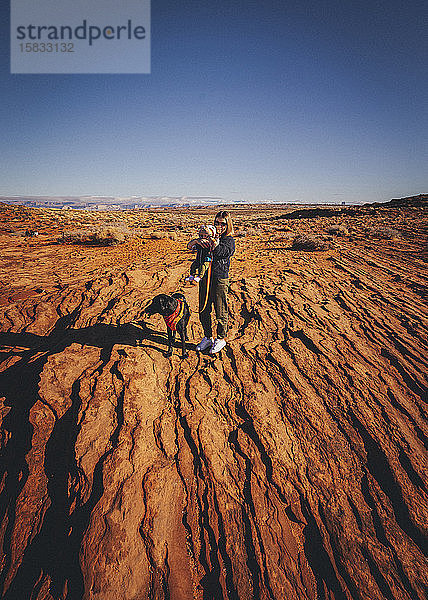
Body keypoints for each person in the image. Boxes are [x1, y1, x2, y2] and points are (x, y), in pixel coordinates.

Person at [194, 211, 235, 354]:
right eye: (216, 222)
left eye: (222, 223)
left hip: (219, 278)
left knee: (220, 309)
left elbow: (225, 252)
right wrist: (197, 242)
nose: (219, 226)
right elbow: (195, 248)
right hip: (205, 277)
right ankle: (207, 337)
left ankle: (221, 338)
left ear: (227, 224)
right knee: (204, 308)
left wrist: (216, 245)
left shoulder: (229, 240)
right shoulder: (209, 235)